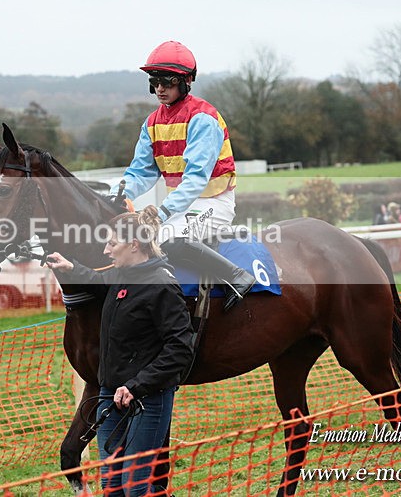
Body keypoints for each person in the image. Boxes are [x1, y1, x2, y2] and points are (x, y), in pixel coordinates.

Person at [46, 206, 193, 496]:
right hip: (109, 396)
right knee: (112, 486)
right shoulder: (122, 275)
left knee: (135, 487)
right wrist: (71, 268)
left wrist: (136, 386)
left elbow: (181, 348)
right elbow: (99, 281)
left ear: (134, 245)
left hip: (147, 399)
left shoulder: (161, 285)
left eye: (112, 243)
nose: (106, 250)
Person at [110, 40, 255, 312]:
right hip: (181, 205)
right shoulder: (152, 122)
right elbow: (140, 172)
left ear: (186, 82)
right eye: (155, 81)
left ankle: (237, 276)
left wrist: (162, 213)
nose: (160, 88)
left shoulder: (203, 118)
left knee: (165, 239)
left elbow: (196, 179)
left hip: (213, 202)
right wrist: (118, 195)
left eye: (167, 81)